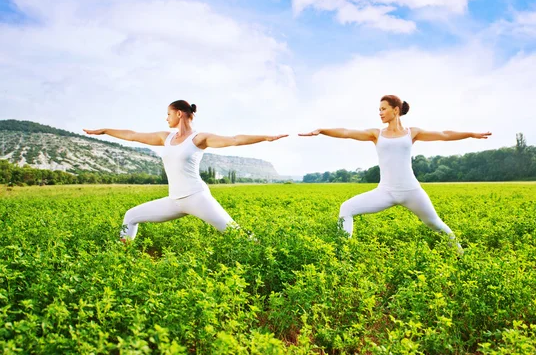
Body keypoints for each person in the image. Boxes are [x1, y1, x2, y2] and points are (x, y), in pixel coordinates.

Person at [299, 95, 491, 254]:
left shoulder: (412, 133)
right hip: (386, 192)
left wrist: (471, 134)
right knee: (346, 208)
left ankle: (462, 255)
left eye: (383, 108)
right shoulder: (376, 134)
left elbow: (444, 134)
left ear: (396, 110)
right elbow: (347, 132)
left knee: (435, 224)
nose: (380, 112)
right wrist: (322, 130)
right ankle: (342, 254)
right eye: (379, 109)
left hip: (411, 191)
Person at [84, 100, 287, 241]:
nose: (166, 119)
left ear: (179, 114)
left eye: (168, 114)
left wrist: (266, 137)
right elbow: (133, 135)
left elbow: (234, 139)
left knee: (235, 233)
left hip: (197, 198)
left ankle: (263, 251)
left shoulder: (199, 138)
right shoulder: (166, 137)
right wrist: (104, 131)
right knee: (130, 216)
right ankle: (123, 257)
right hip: (175, 201)